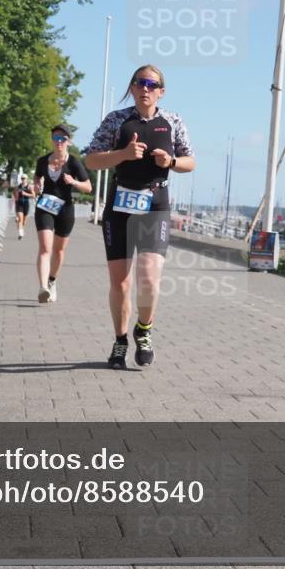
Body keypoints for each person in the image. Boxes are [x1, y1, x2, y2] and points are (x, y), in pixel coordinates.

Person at [83, 65, 195, 368]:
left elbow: (190, 161)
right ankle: (120, 341)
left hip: (154, 202)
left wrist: (171, 161)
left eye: (151, 84)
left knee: (148, 279)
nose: (145, 88)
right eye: (139, 83)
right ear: (132, 88)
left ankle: (143, 331)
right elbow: (91, 159)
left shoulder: (172, 121)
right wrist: (122, 154)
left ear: (161, 91)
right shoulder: (117, 120)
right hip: (120, 202)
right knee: (120, 283)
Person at [33, 124, 91, 303]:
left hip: (65, 210)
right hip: (45, 207)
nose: (59, 142)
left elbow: (88, 187)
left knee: (58, 251)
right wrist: (36, 184)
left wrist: (74, 182)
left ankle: (52, 281)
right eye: (56, 138)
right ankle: (43, 288)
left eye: (62, 139)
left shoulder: (73, 162)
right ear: (52, 140)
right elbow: (37, 177)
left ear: (68, 142)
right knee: (45, 248)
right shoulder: (43, 161)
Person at [13, 174, 35, 240]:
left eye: (24, 178)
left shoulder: (29, 187)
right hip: (19, 203)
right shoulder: (18, 187)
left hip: (26, 203)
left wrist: (25, 194)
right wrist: (15, 197)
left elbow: (33, 195)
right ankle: (20, 233)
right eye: (22, 178)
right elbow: (14, 193)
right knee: (20, 219)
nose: (23, 179)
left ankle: (21, 229)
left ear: (26, 179)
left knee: (24, 221)